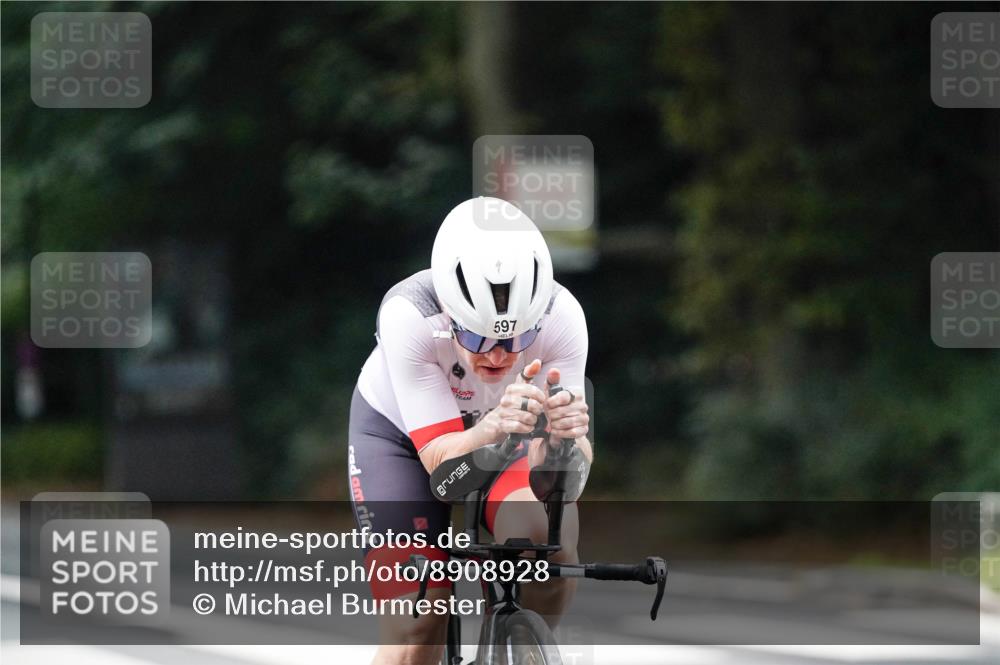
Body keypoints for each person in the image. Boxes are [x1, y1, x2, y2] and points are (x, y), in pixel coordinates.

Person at [349, 196, 592, 665]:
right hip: (402, 440)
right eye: (477, 337)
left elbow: (567, 482)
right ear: (449, 313)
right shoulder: (410, 315)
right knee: (419, 620)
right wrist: (493, 428)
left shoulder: (563, 318)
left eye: (515, 339)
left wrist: (566, 445)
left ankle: (522, 647)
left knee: (549, 541)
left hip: (508, 435)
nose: (498, 355)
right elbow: (443, 474)